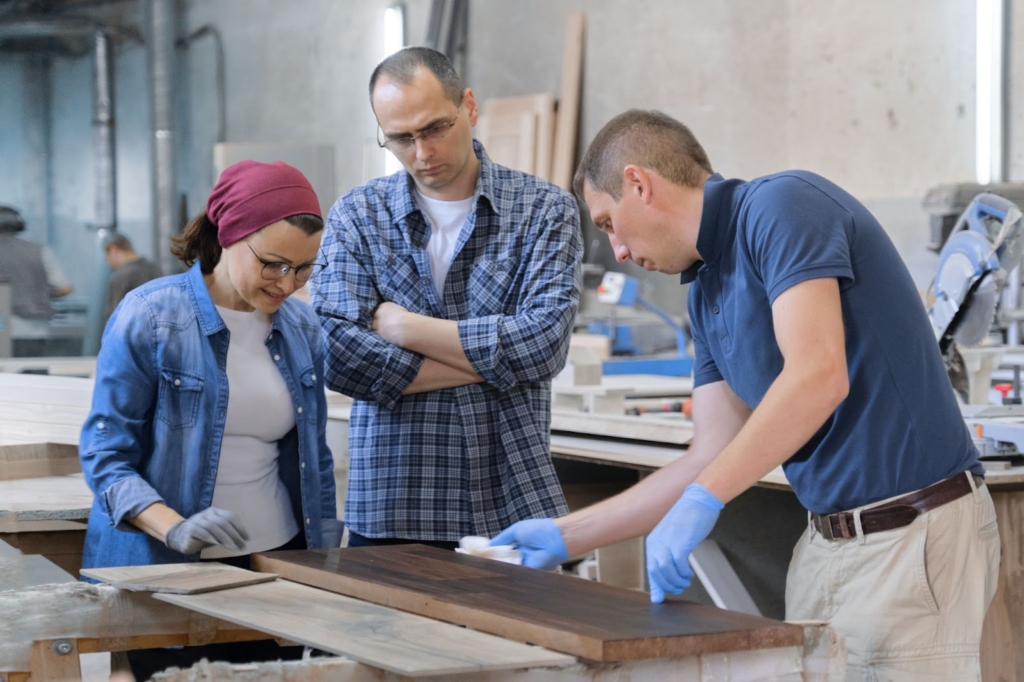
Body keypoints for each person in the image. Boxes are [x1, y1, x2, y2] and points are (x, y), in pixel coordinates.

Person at [492, 110, 1000, 680]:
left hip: (910, 537)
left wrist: (703, 500)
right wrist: (566, 536)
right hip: (826, 542)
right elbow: (711, 456)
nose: (620, 252)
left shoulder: (782, 207)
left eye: (610, 223)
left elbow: (818, 376)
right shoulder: (704, 291)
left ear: (640, 183)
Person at [309, 47, 582, 548]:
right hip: (392, 502)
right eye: (400, 138)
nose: (421, 152)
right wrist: (494, 363)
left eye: (434, 128)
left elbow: (545, 344)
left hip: (510, 497)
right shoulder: (357, 216)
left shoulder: (544, 210)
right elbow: (337, 354)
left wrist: (402, 328)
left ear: (469, 108)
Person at [79, 160, 342, 680]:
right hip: (168, 569)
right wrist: (174, 528)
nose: (288, 283)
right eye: (272, 264)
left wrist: (325, 558)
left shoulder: (301, 328)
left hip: (277, 565)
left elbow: (314, 455)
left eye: (305, 268)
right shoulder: (151, 316)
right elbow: (106, 458)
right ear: (228, 235)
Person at [0, 205, 74, 356]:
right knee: (33, 376)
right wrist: (39, 292)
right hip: (34, 329)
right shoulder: (38, 250)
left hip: (3, 329)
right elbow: (65, 288)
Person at [103, 232, 163, 323]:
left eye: (107, 258)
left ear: (113, 250)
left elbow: (114, 318)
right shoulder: (154, 268)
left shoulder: (120, 276)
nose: (109, 264)